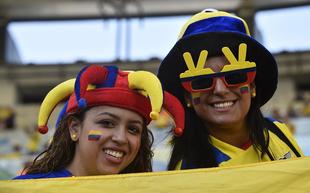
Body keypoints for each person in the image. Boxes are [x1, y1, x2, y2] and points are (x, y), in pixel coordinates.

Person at [157, 9, 304, 170]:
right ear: (188, 97)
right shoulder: (184, 171)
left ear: (252, 86)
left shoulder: (280, 134)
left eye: (235, 77)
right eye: (202, 81)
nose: (220, 90)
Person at [14, 64, 184, 179]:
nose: (121, 138)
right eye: (107, 123)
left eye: (133, 129)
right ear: (74, 128)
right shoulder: (27, 191)